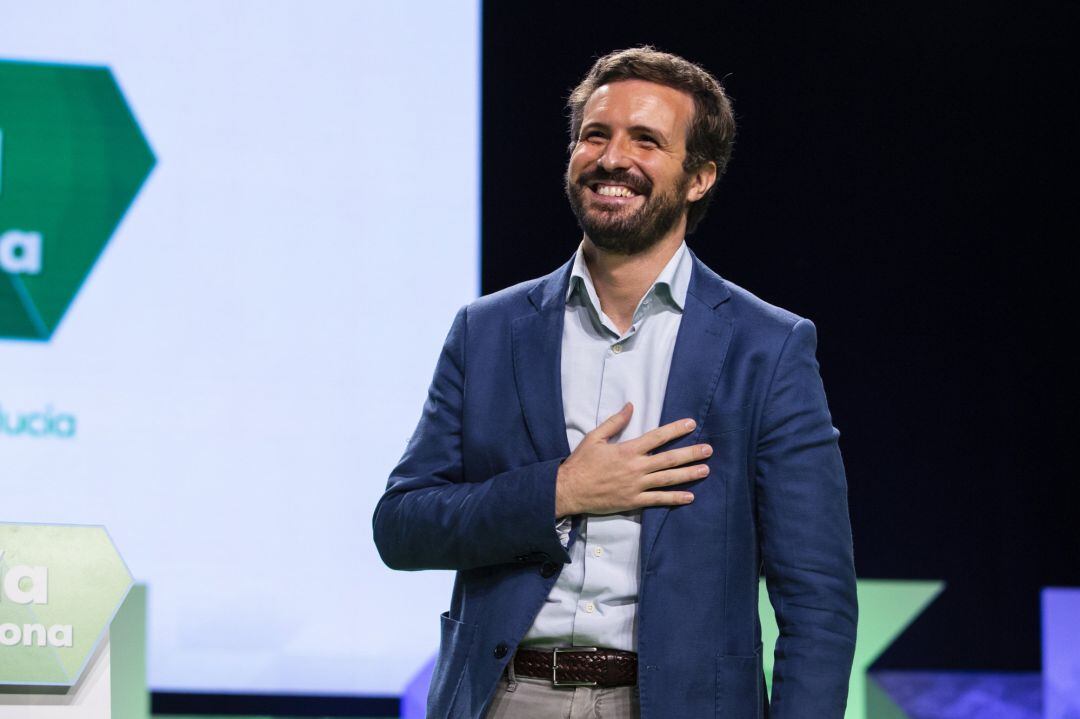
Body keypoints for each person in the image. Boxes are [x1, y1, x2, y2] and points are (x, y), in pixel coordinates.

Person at [373, 46, 857, 719]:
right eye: (595, 134)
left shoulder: (766, 348)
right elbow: (402, 526)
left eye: (646, 140)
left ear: (700, 176)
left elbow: (817, 597)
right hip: (507, 695)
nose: (611, 157)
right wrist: (561, 490)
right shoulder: (487, 331)